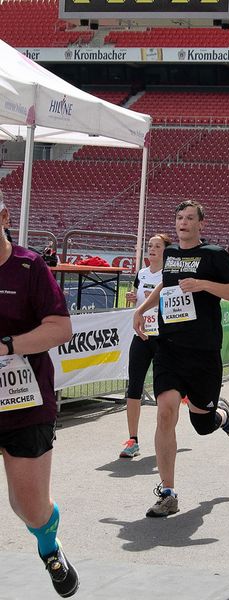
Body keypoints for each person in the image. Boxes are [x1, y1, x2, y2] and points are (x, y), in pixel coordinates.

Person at [133, 200, 229, 517]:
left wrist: (203, 285)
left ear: (201, 224)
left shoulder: (214, 255)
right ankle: (167, 492)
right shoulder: (170, 256)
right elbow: (164, 287)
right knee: (165, 412)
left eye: (189, 218)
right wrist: (141, 310)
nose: (183, 222)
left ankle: (223, 417)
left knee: (202, 424)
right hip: (170, 347)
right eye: (179, 217)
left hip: (203, 352)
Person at [0, 194, 79, 597]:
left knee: (28, 506)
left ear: (3, 216)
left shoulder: (29, 267)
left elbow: (60, 330)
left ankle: (49, 547)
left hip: (23, 404)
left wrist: (8, 346)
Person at [119, 233, 171, 459]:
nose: (152, 249)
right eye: (150, 245)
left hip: (162, 337)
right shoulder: (141, 273)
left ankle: (168, 434)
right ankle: (133, 439)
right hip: (141, 336)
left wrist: (158, 298)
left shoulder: (169, 274)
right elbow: (139, 297)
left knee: (166, 391)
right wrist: (135, 298)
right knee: (134, 387)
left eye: (157, 246)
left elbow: (174, 303)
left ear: (165, 251)